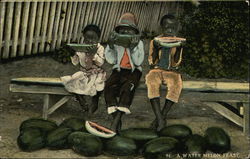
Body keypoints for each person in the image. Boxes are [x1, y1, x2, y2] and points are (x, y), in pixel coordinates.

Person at [104, 12, 144, 132]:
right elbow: (111, 60)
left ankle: (115, 122)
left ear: (135, 33)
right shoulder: (116, 43)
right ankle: (116, 117)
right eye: (123, 30)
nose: (126, 33)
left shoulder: (139, 43)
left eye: (129, 30)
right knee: (109, 86)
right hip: (119, 71)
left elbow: (138, 62)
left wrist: (133, 48)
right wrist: (110, 46)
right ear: (119, 32)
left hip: (133, 71)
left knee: (128, 88)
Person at [145, 14, 186, 131]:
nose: (169, 29)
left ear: (176, 28)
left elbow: (176, 63)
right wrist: (157, 49)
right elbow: (152, 62)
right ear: (162, 27)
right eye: (167, 26)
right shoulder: (155, 41)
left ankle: (161, 116)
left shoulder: (178, 42)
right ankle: (160, 118)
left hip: (171, 71)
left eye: (173, 27)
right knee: (151, 81)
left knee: (176, 84)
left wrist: (178, 48)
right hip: (157, 69)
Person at [61, 25, 105, 114]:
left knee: (98, 85)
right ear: (84, 38)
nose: (90, 41)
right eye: (87, 38)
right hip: (83, 72)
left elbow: (100, 62)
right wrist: (73, 53)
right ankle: (80, 99)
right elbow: (75, 62)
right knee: (72, 81)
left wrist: (93, 55)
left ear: (98, 38)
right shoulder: (81, 48)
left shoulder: (100, 48)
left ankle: (95, 101)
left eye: (93, 38)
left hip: (95, 72)